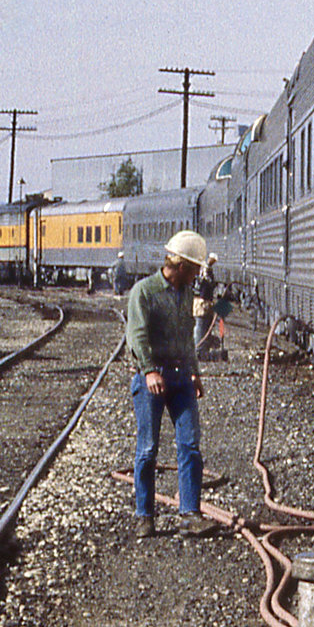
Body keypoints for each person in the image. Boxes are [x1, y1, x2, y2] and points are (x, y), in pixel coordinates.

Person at [124, 230, 220, 538]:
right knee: (148, 448)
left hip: (181, 378)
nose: (196, 275)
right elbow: (137, 335)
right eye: (193, 269)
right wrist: (150, 371)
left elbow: (188, 340)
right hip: (151, 377)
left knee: (190, 445)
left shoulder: (186, 295)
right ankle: (144, 516)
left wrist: (195, 372)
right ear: (178, 265)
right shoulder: (145, 292)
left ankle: (190, 514)